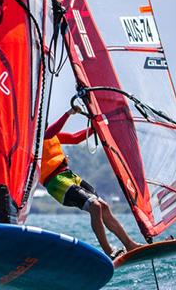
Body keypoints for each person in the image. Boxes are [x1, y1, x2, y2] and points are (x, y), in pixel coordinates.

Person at [41, 107, 141, 257]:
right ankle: (109, 251)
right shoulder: (33, 140)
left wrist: (96, 127)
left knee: (104, 207)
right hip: (56, 182)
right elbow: (49, 133)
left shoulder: (53, 136)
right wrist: (67, 114)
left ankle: (130, 244)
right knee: (95, 206)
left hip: (69, 176)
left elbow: (75, 138)